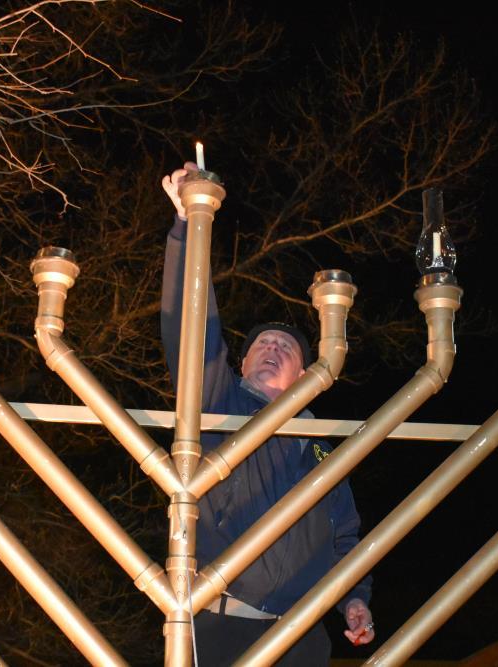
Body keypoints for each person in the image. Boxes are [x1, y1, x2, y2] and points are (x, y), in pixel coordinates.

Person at [160, 163, 374, 665]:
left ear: (307, 377)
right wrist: (191, 227)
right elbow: (188, 328)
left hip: (301, 638)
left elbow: (345, 536)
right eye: (261, 344)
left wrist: (354, 597)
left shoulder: (322, 450)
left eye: (285, 348)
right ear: (242, 363)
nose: (271, 349)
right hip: (218, 632)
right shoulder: (218, 407)